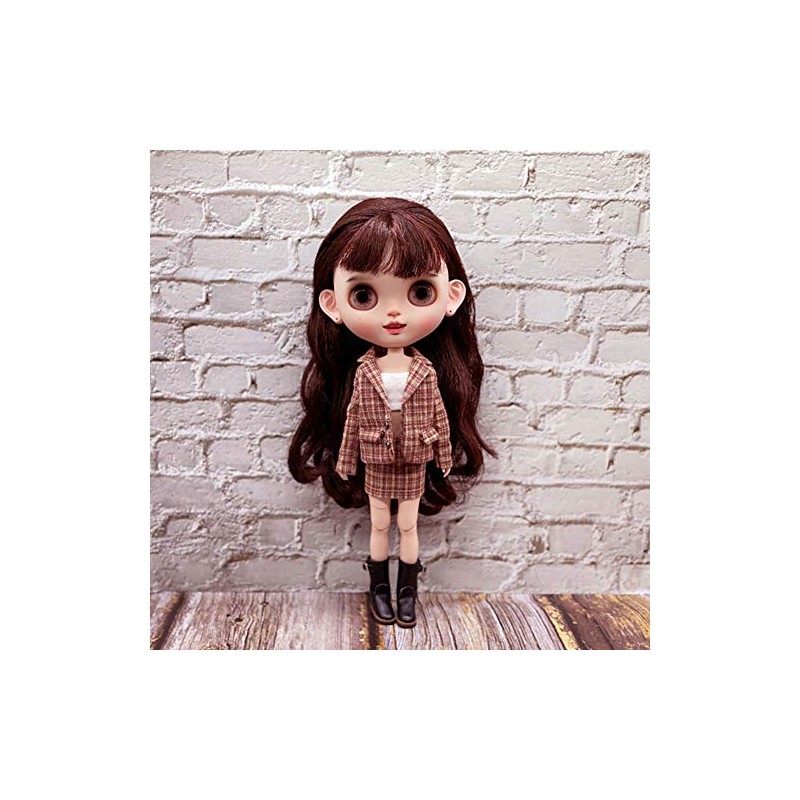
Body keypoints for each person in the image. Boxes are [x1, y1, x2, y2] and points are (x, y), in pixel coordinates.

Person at [288, 197, 494, 628]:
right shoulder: (364, 371)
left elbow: (439, 418)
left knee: (409, 526)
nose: (394, 312)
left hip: (415, 459)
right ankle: (379, 587)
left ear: (452, 296)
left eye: (420, 292)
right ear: (333, 304)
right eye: (364, 295)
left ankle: (408, 591)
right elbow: (353, 420)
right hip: (377, 459)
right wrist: (347, 459)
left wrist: (443, 456)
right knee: (380, 524)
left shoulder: (426, 371)